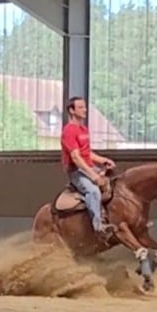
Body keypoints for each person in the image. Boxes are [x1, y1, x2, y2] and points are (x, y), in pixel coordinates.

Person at [61, 97, 117, 237]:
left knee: (115, 183)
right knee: (94, 191)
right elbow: (76, 158)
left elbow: (87, 153)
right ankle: (98, 227)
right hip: (77, 171)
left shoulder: (83, 129)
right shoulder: (69, 131)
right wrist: (94, 175)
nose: (85, 110)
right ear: (72, 111)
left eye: (84, 107)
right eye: (80, 107)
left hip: (89, 166)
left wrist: (103, 160)